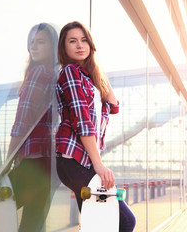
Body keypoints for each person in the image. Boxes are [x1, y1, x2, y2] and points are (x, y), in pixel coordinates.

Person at [55, 21, 136, 231]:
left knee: (95, 226)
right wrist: (99, 165)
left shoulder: (88, 77)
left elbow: (114, 104)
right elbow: (82, 122)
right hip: (74, 161)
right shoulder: (70, 73)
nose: (80, 45)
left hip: (83, 161)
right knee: (125, 221)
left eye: (84, 41)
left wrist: (95, 65)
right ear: (64, 48)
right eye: (72, 41)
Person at [0, 23, 60, 232]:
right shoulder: (55, 76)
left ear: (52, 46)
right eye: (31, 42)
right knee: (32, 227)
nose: (33, 47)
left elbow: (22, 123)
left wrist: (7, 163)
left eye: (40, 42)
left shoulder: (38, 74)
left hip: (34, 164)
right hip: (50, 166)